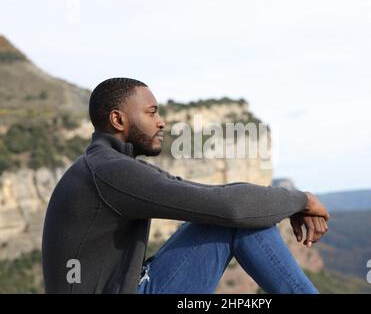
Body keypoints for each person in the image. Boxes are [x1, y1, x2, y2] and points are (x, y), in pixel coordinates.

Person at [42, 77, 330, 294]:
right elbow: (231, 208)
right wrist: (303, 200)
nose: (161, 122)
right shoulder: (109, 171)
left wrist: (292, 202)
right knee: (235, 219)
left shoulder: (105, 166)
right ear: (118, 119)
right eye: (152, 112)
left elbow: (212, 196)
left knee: (231, 213)